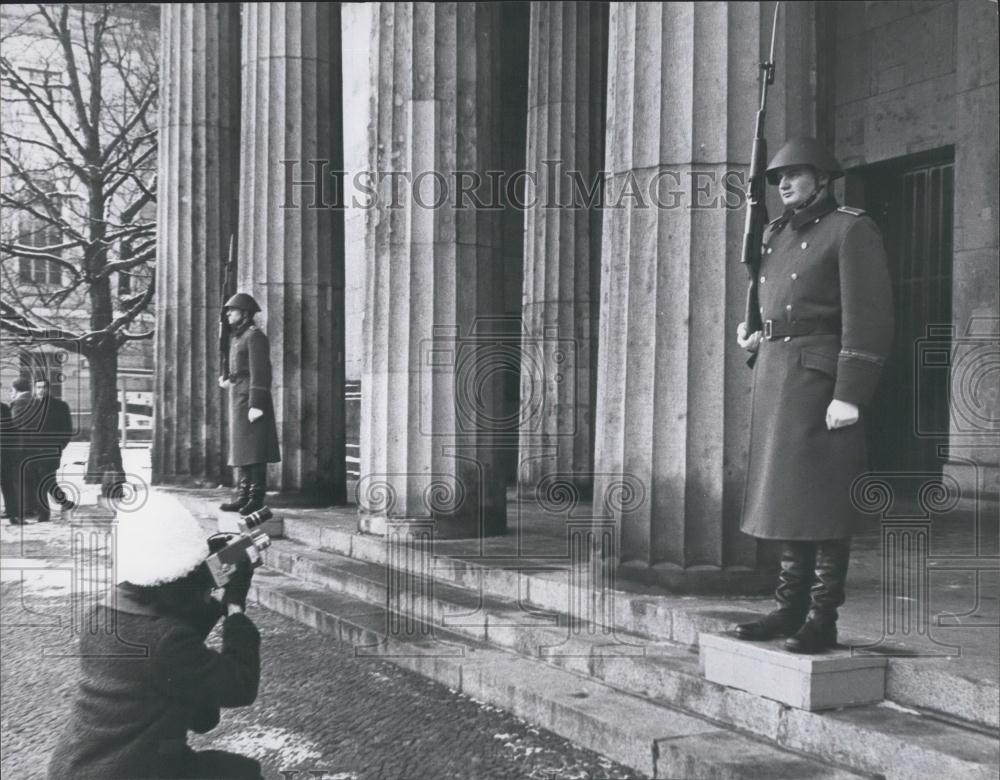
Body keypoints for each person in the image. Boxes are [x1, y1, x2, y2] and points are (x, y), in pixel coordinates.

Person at [733, 137, 893, 654]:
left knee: (823, 504)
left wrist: (850, 392)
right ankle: (788, 608)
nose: (783, 184)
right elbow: (776, 302)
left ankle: (822, 618)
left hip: (821, 380)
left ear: (823, 178)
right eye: (778, 177)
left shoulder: (851, 229)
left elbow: (869, 318)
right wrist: (754, 334)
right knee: (787, 499)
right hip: (779, 373)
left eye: (795, 174)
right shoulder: (777, 233)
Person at [47, 489, 263, 779]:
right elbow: (239, 686)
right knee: (241, 775)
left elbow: (166, 618)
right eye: (191, 567)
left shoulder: (102, 615)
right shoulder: (167, 641)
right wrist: (235, 605)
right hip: (129, 770)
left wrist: (203, 573)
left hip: (79, 765)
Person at [218, 293, 281, 516]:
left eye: (231, 311)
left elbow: (261, 372)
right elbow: (240, 368)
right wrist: (228, 378)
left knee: (255, 450)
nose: (227, 314)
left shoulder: (255, 337)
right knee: (243, 450)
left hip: (249, 399)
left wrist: (257, 403)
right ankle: (243, 495)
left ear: (244, 314)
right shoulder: (238, 337)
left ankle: (256, 497)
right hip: (238, 396)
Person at [26, 377, 76, 522]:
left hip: (51, 451)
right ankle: (65, 503)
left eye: (44, 387)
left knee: (44, 480)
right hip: (33, 451)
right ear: (35, 389)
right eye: (38, 387)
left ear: (49, 389)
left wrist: (59, 446)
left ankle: (44, 514)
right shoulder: (30, 406)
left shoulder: (60, 406)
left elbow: (67, 429)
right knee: (45, 481)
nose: (41, 390)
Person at [6, 376, 36, 524]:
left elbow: (16, 427)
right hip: (34, 447)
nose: (10, 393)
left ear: (16, 389)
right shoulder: (35, 401)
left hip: (21, 447)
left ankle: (25, 510)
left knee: (19, 480)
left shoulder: (19, 403)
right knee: (30, 479)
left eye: (11, 390)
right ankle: (30, 508)